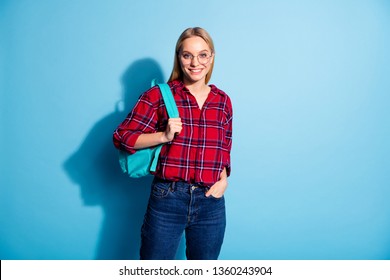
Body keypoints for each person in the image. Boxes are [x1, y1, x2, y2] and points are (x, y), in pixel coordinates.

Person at [113, 27, 233, 260]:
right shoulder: (158, 96)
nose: (195, 62)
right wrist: (163, 136)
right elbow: (121, 137)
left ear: (212, 57)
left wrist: (224, 179)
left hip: (211, 202)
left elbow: (224, 147)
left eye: (202, 55)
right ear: (178, 57)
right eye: (187, 55)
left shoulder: (222, 101)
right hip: (168, 198)